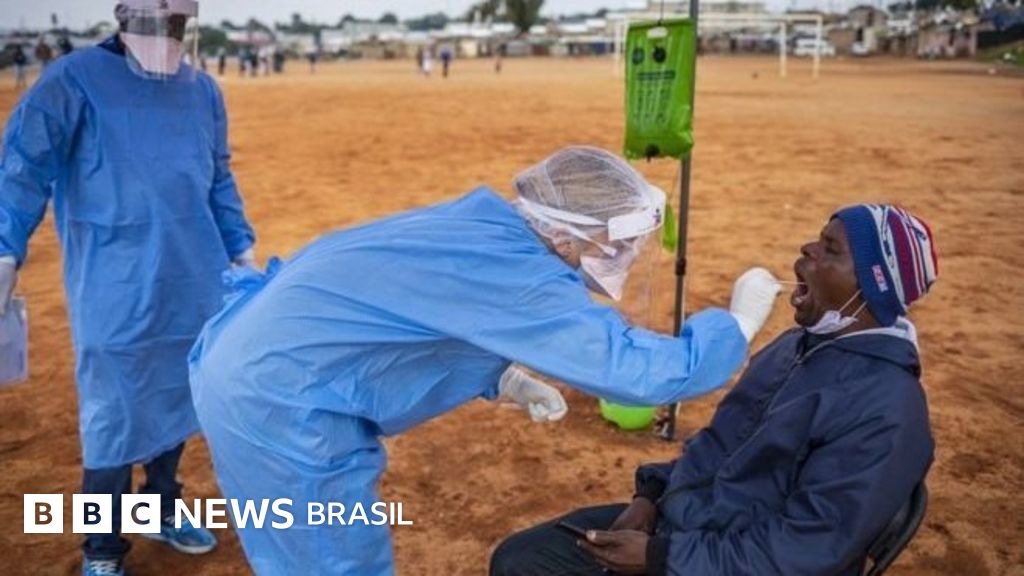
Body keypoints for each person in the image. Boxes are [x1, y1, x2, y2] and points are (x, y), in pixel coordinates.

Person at [188, 146, 783, 575]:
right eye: (619, 240)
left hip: (251, 357)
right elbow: (640, 374)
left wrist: (505, 376)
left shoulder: (489, 225)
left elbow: (423, 310)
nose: (625, 254)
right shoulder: (524, 275)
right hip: (278, 400)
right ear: (568, 234)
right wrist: (735, 326)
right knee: (329, 557)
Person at [491, 204, 938, 576]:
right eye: (818, 239)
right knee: (520, 560)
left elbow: (807, 552)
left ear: (871, 287)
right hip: (690, 527)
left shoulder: (886, 408)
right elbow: (719, 444)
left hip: (729, 558)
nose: (807, 248)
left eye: (830, 249)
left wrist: (661, 559)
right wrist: (651, 497)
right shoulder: (795, 347)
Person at [0, 2, 256, 575]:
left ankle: (160, 507)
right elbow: (22, 166)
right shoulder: (73, 80)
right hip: (113, 282)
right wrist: (5, 247)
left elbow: (217, 177)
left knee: (177, 394)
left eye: (178, 19)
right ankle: (102, 547)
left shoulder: (202, 91)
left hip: (193, 277)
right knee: (112, 413)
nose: (170, 29)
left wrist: (241, 250)